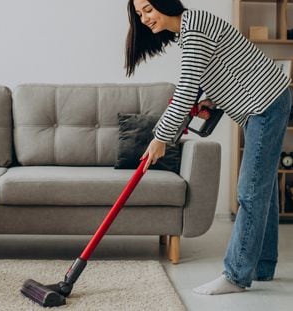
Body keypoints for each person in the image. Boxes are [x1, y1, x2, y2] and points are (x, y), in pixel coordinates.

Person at [125, 0, 292, 295]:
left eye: (148, 9)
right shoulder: (190, 29)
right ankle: (261, 267)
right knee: (262, 192)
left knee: (250, 190)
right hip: (266, 102)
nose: (145, 18)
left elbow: (186, 87)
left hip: (266, 104)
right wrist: (211, 100)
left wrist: (160, 137)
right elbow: (228, 66)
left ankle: (236, 276)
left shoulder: (194, 27)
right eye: (139, 15)